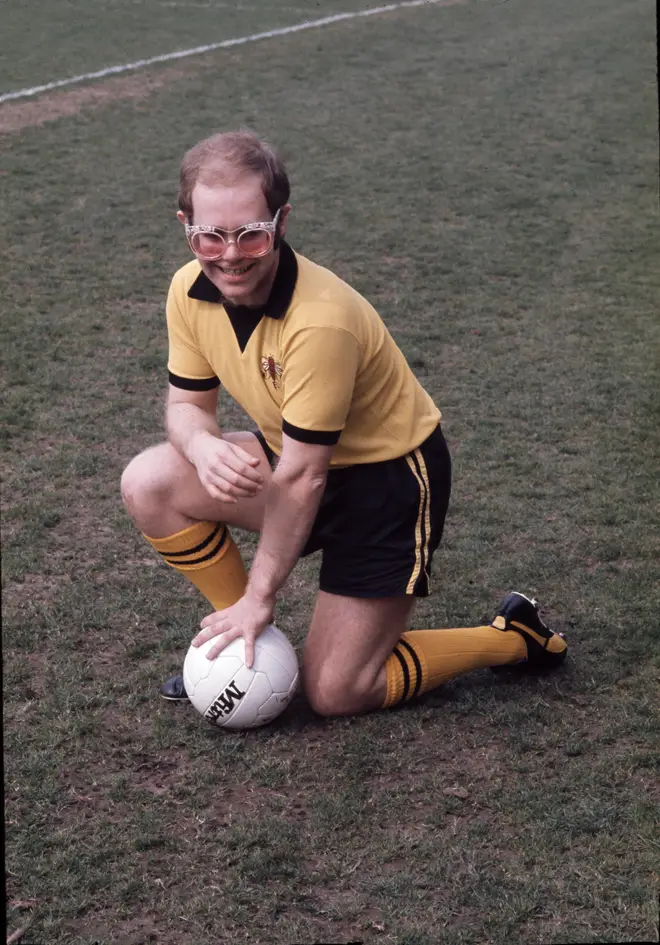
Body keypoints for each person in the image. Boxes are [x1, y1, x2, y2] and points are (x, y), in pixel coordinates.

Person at [120, 130, 567, 718]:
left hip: (387, 485)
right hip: (296, 459)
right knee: (150, 480)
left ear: (280, 222)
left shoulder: (319, 322)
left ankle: (511, 637)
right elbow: (185, 408)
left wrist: (263, 592)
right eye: (210, 235)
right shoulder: (188, 289)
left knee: (337, 691)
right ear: (187, 225)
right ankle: (241, 646)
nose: (229, 254)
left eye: (250, 233)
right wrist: (201, 444)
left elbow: (303, 479)